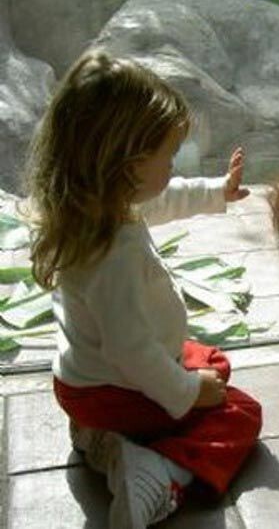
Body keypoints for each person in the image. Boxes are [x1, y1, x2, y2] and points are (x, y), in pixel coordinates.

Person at [24, 49, 263, 528]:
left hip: (84, 382)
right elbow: (130, 351)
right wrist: (188, 392)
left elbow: (166, 199)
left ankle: (100, 438)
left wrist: (217, 192)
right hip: (114, 388)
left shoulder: (96, 210)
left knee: (208, 359)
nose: (174, 163)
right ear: (124, 162)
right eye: (167, 154)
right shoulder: (112, 253)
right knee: (238, 412)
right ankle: (160, 473)